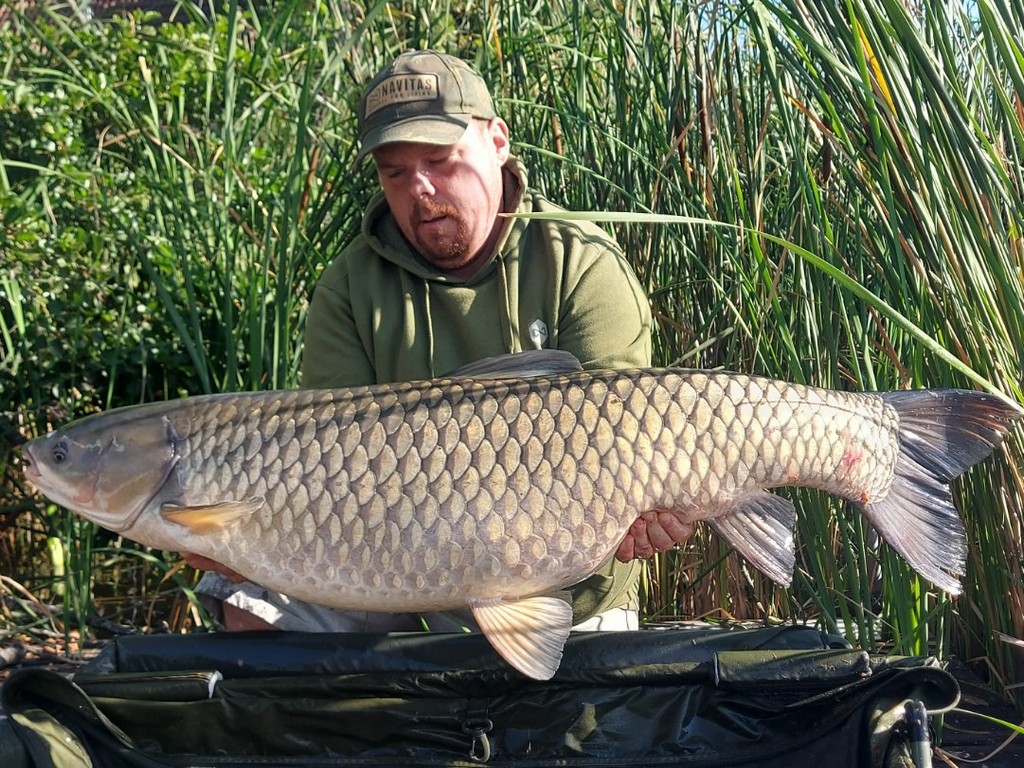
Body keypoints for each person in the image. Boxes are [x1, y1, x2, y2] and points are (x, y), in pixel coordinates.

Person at [188, 49, 693, 633]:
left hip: (568, 582)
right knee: (243, 600)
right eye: (395, 173)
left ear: (497, 141)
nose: (420, 188)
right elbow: (330, 477)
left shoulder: (581, 261)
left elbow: (625, 443)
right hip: (396, 577)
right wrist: (259, 545)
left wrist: (651, 512)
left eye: (439, 159)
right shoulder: (349, 288)